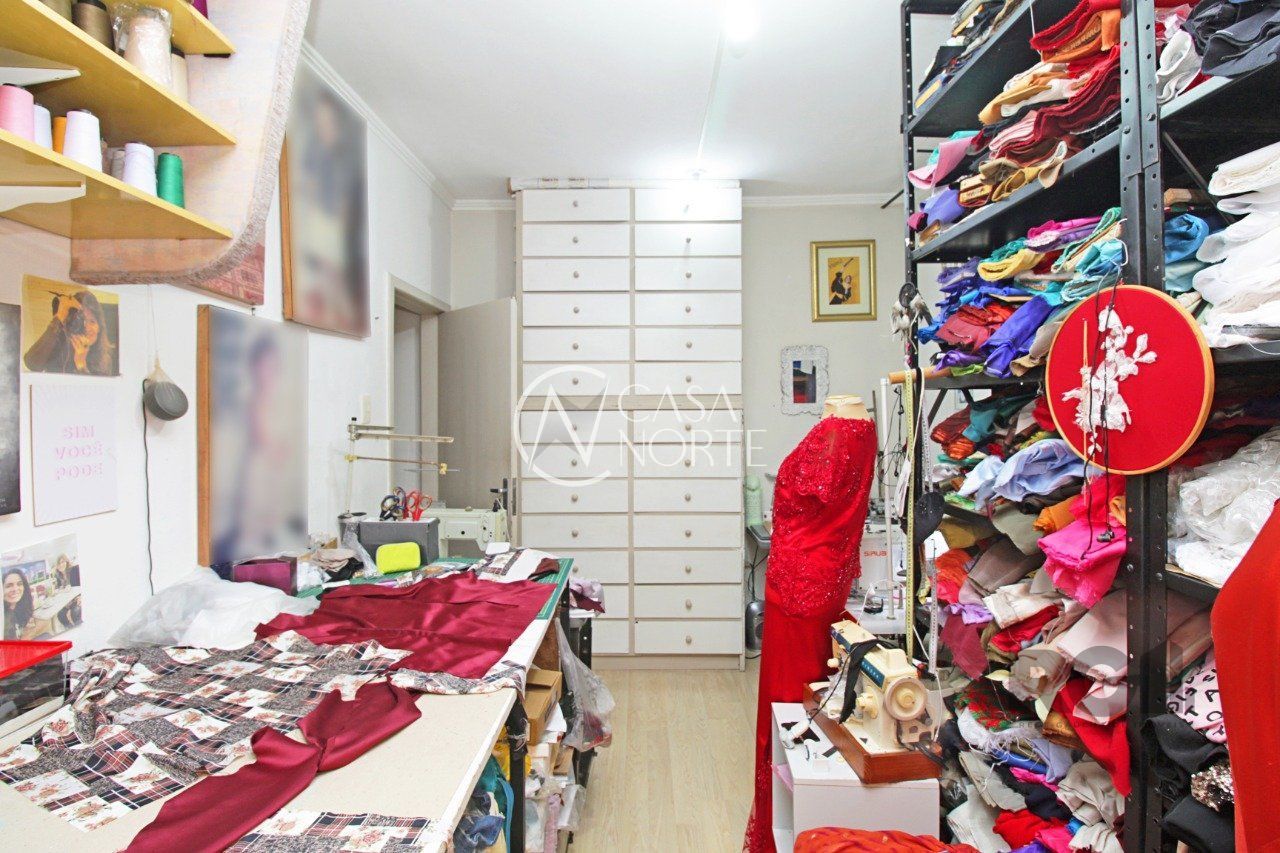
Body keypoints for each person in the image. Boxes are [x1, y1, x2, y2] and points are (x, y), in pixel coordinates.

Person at [23, 289, 117, 376]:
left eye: (92, 321)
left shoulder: (104, 359)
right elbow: (32, 365)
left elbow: (97, 388)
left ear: (99, 327)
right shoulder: (59, 345)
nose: (87, 327)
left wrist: (81, 365)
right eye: (81, 320)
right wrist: (59, 316)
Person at [3, 569, 52, 640]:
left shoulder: (21, 607)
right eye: (9, 586)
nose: (15, 589)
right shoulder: (3, 617)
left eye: (19, 584)